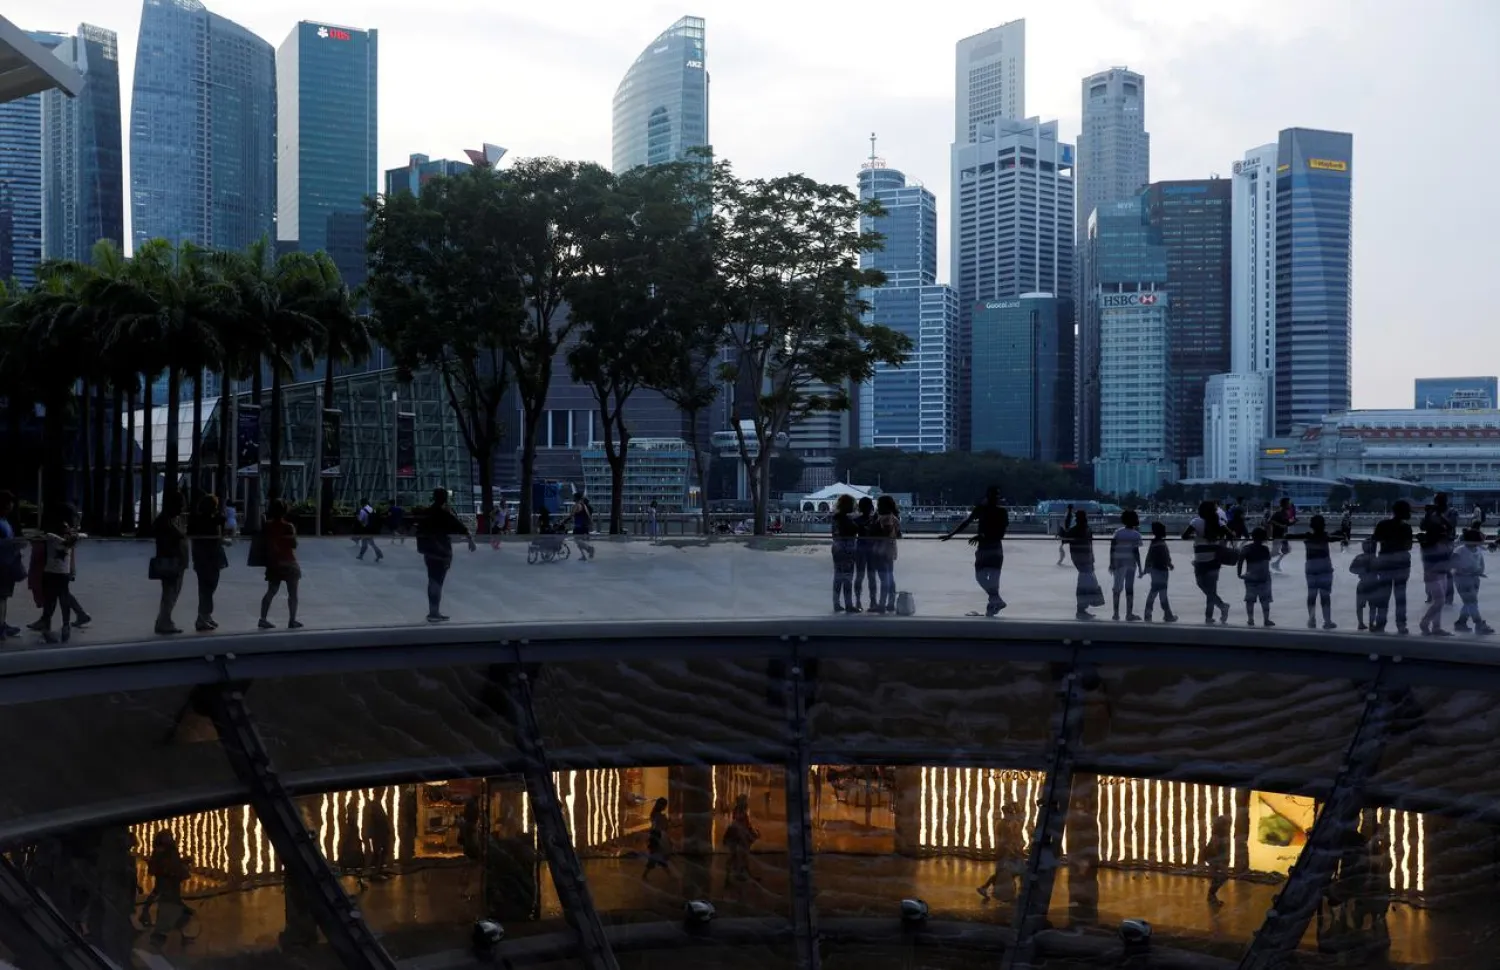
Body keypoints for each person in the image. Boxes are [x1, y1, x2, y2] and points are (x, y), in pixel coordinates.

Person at [942, 486, 1009, 617]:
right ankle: (995, 603)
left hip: (986, 549)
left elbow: (966, 522)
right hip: (996, 549)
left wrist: (952, 535)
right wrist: (951, 535)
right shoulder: (1000, 512)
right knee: (993, 581)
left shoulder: (983, 509)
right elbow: (1001, 533)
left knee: (981, 577)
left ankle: (994, 603)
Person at [416, 487, 475, 622]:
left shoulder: (427, 513)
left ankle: (433, 611)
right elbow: (460, 527)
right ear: (445, 499)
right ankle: (434, 612)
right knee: (437, 582)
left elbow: (418, 529)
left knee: (432, 580)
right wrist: (470, 540)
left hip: (429, 551)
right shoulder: (444, 514)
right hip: (442, 552)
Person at [36, 506, 83, 643]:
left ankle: (62, 625)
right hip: (55, 573)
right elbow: (65, 543)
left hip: (58, 573)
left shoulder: (64, 537)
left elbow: (79, 537)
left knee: (60, 601)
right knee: (54, 601)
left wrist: (74, 535)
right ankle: (53, 627)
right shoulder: (55, 538)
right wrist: (73, 537)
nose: (67, 528)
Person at [257, 498, 303, 629]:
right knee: (293, 593)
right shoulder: (288, 526)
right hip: (289, 562)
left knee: (271, 591)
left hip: (274, 563)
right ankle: (292, 620)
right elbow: (294, 545)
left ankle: (263, 618)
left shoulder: (267, 526)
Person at [1185, 501, 1232, 625]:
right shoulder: (1219, 522)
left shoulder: (1195, 522)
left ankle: (1211, 615)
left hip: (1199, 560)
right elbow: (1231, 534)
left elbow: (1184, 536)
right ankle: (1219, 608)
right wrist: (1220, 541)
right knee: (1211, 589)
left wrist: (1197, 538)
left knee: (1202, 585)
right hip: (1214, 560)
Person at [1370, 501, 1414, 635]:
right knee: (1400, 596)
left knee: (1383, 596)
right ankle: (1401, 625)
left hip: (1385, 563)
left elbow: (1374, 541)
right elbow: (1408, 546)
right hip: (1402, 565)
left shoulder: (1382, 524)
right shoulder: (1406, 528)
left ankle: (1380, 624)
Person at [144, 830, 193, 946]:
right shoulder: (162, 853)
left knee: (180, 915)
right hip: (168, 893)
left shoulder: (169, 851)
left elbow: (173, 865)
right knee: (166, 919)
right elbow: (165, 869)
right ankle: (158, 941)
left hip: (172, 892)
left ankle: (178, 937)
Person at [188, 493, 228, 632]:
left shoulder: (197, 520)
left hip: (202, 558)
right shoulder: (213, 521)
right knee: (208, 588)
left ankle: (206, 615)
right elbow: (220, 528)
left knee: (205, 588)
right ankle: (202, 617)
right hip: (211, 557)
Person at [151, 492, 189, 636]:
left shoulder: (169, 520)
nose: (181, 509)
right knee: (170, 592)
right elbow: (172, 539)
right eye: (180, 506)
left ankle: (163, 620)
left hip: (174, 561)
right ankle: (164, 621)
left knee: (170, 592)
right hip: (171, 562)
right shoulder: (166, 521)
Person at [976, 802, 1024, 902]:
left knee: (1010, 872)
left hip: (1009, 852)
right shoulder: (1002, 824)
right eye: (1010, 813)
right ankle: (986, 888)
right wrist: (1011, 849)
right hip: (1004, 853)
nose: (1012, 815)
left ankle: (985, 888)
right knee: (1005, 873)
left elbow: (1014, 839)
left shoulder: (1010, 823)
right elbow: (1003, 840)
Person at [1063, 510, 1103, 621]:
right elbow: (1089, 544)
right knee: (1084, 583)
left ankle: (1082, 608)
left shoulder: (1080, 529)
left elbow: (1066, 537)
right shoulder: (1083, 529)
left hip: (1082, 559)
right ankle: (1081, 608)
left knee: (1084, 582)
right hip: (1083, 559)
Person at [1418, 517, 1454, 637]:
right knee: (1439, 601)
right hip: (1432, 575)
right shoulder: (1429, 545)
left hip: (1441, 574)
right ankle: (1424, 622)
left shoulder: (1440, 544)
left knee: (1439, 602)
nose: (1445, 535)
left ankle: (1436, 627)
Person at [1453, 527, 1492, 635]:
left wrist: (1480, 571)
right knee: (1472, 602)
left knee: (1469, 603)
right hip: (1462, 579)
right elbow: (1453, 563)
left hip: (1475, 578)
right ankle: (1479, 623)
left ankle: (1461, 622)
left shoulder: (1478, 549)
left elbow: (1481, 562)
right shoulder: (1460, 550)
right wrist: (1462, 570)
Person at [1109, 510, 1144, 621]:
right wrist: (1140, 566)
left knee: (1117, 589)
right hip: (1131, 563)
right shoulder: (1136, 534)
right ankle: (1129, 614)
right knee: (1129, 588)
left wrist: (1111, 562)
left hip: (1118, 563)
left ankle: (1115, 613)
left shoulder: (1118, 532)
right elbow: (1136, 552)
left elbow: (1112, 548)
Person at [1303, 514, 1337, 630]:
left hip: (1311, 567)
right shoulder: (1326, 536)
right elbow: (1340, 536)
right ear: (1324, 525)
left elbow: (1288, 535)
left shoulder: (1307, 537)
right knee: (1325, 595)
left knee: (1311, 595)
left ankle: (1312, 619)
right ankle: (1327, 621)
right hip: (1324, 566)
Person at [1238, 527, 1274, 627]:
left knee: (1250, 600)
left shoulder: (1246, 548)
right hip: (1263, 578)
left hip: (1250, 576)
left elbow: (1240, 560)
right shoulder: (1265, 549)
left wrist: (1239, 573)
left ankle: (1250, 619)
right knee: (1265, 600)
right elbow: (1267, 562)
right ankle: (1266, 620)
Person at [1142, 521, 1177, 623]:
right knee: (1161, 593)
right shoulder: (1161, 544)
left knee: (1155, 592)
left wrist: (1146, 568)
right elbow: (1165, 557)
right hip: (1162, 571)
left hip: (1155, 570)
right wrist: (1170, 564)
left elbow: (1149, 557)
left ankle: (1150, 613)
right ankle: (1167, 615)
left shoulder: (1153, 543)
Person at [830, 494, 860, 613]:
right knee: (848, 577)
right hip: (847, 549)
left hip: (837, 548)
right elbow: (855, 530)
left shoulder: (835, 518)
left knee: (838, 577)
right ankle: (848, 604)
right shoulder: (846, 520)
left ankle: (836, 603)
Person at [873, 495, 901, 615]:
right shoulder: (894, 517)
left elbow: (886, 531)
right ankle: (890, 602)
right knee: (890, 576)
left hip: (881, 549)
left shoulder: (884, 518)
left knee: (884, 578)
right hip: (891, 549)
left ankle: (882, 604)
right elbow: (898, 534)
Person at [0, 491, 23, 640]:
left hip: (7, 563)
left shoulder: (5, 520)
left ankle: (2, 623)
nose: (10, 509)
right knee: (1, 597)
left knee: (4, 597)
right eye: (8, 506)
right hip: (2, 563)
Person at [724, 793, 759, 888]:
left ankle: (738, 875)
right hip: (737, 836)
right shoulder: (740, 812)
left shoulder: (740, 811)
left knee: (739, 856)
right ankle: (732, 876)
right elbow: (741, 824)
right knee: (736, 856)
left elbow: (745, 825)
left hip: (738, 836)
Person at [852, 496, 878, 612]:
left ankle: (858, 601)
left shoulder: (856, 520)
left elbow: (852, 536)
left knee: (860, 576)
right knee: (871, 577)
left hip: (860, 548)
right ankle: (873, 601)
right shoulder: (875, 520)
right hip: (872, 549)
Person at [1350, 538, 1380, 631]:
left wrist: (1362, 571)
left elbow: (1352, 569)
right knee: (1373, 606)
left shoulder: (1359, 557)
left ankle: (1360, 623)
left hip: (1362, 583)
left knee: (1360, 606)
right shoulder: (1375, 558)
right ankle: (1371, 624)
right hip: (1373, 584)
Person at [1204, 814, 1231, 908]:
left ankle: (1211, 895)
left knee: (1219, 878)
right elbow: (1214, 848)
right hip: (1216, 859)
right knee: (1221, 877)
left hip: (1215, 859)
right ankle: (1211, 895)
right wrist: (1219, 862)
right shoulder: (1218, 836)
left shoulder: (1220, 835)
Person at [643, 797, 672, 879]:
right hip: (658, 836)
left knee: (657, 855)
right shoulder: (659, 816)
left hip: (655, 836)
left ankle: (645, 874)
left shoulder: (654, 814)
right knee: (657, 855)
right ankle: (645, 875)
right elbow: (664, 826)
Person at [1269, 497, 1295, 572]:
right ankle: (1263, 562)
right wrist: (1280, 525)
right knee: (1274, 552)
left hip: (1283, 535)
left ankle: (1276, 563)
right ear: (1285, 504)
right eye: (1289, 503)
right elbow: (1270, 521)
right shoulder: (1279, 512)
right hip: (1277, 535)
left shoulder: (1285, 513)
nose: (1290, 504)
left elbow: (1287, 524)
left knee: (1287, 550)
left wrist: (1293, 522)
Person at [356, 498, 383, 562]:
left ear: (362, 503)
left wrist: (357, 517)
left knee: (368, 543)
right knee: (369, 542)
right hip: (373, 528)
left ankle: (378, 554)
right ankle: (361, 555)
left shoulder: (362, 510)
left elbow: (361, 520)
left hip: (366, 529)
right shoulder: (372, 509)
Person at [571, 493, 595, 562]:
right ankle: (584, 554)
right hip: (584, 526)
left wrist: (563, 521)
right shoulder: (584, 505)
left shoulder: (576, 505)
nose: (573, 498)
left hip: (579, 526)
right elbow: (589, 515)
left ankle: (589, 549)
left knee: (577, 540)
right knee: (579, 541)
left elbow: (571, 515)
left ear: (576, 498)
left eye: (574, 497)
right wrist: (591, 524)